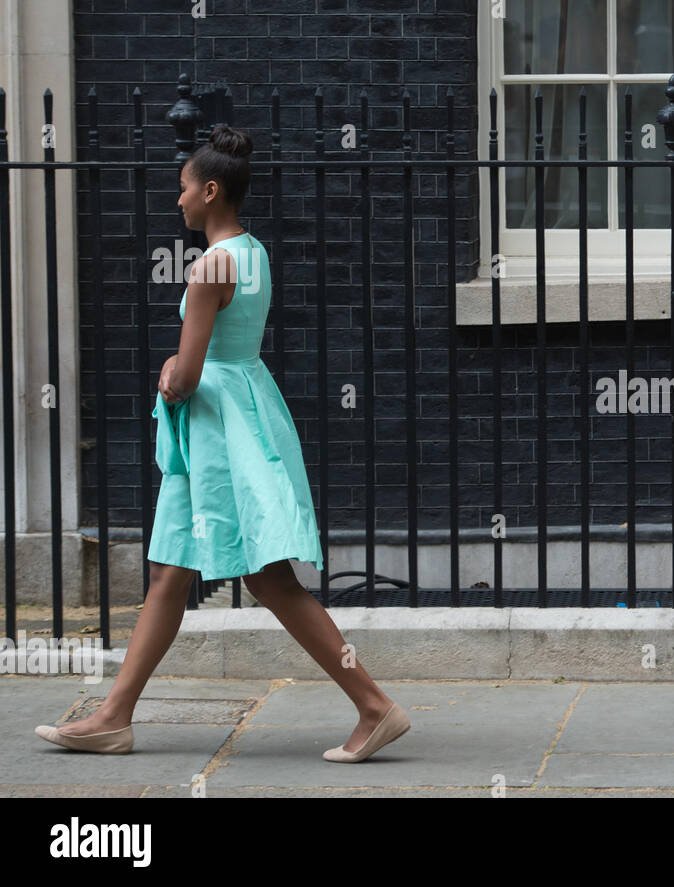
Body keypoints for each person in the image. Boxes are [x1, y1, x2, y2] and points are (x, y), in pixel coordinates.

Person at [35, 125, 410, 762]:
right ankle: (113, 716)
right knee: (170, 572)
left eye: (183, 189)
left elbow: (188, 372)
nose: (176, 200)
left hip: (215, 432)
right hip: (235, 416)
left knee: (267, 576)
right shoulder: (254, 253)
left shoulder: (211, 264)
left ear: (211, 191)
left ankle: (374, 705)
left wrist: (169, 378)